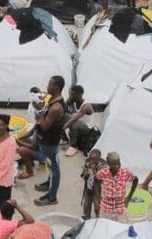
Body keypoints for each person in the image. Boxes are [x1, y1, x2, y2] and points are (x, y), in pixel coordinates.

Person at [33, 75, 66, 206]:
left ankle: (52, 197)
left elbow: (45, 127)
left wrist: (40, 112)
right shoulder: (53, 99)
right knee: (51, 165)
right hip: (46, 141)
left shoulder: (56, 107)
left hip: (50, 143)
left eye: (49, 84)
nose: (47, 86)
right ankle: (49, 183)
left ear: (56, 87)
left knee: (54, 168)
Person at [95, 152, 138, 221]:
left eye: (118, 163)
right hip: (106, 208)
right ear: (108, 163)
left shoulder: (125, 173)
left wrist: (129, 197)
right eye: (114, 164)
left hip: (120, 209)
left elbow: (135, 179)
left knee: (120, 226)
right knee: (104, 226)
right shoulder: (103, 173)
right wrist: (98, 195)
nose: (117, 166)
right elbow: (96, 179)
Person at [64, 85, 95, 156]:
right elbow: (62, 109)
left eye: (73, 94)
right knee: (61, 114)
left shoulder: (86, 106)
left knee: (74, 123)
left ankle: (73, 147)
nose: (71, 96)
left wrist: (63, 128)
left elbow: (74, 119)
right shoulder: (73, 100)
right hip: (78, 124)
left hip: (87, 128)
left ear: (80, 94)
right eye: (70, 94)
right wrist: (68, 101)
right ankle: (64, 139)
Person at [80, 149, 103, 220]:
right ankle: (87, 217)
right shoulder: (87, 164)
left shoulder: (101, 167)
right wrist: (85, 174)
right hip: (88, 189)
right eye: (90, 159)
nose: (91, 161)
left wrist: (94, 171)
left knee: (97, 206)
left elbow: (100, 179)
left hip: (96, 191)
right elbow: (83, 176)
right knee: (86, 204)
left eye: (93, 159)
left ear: (98, 159)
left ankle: (98, 218)